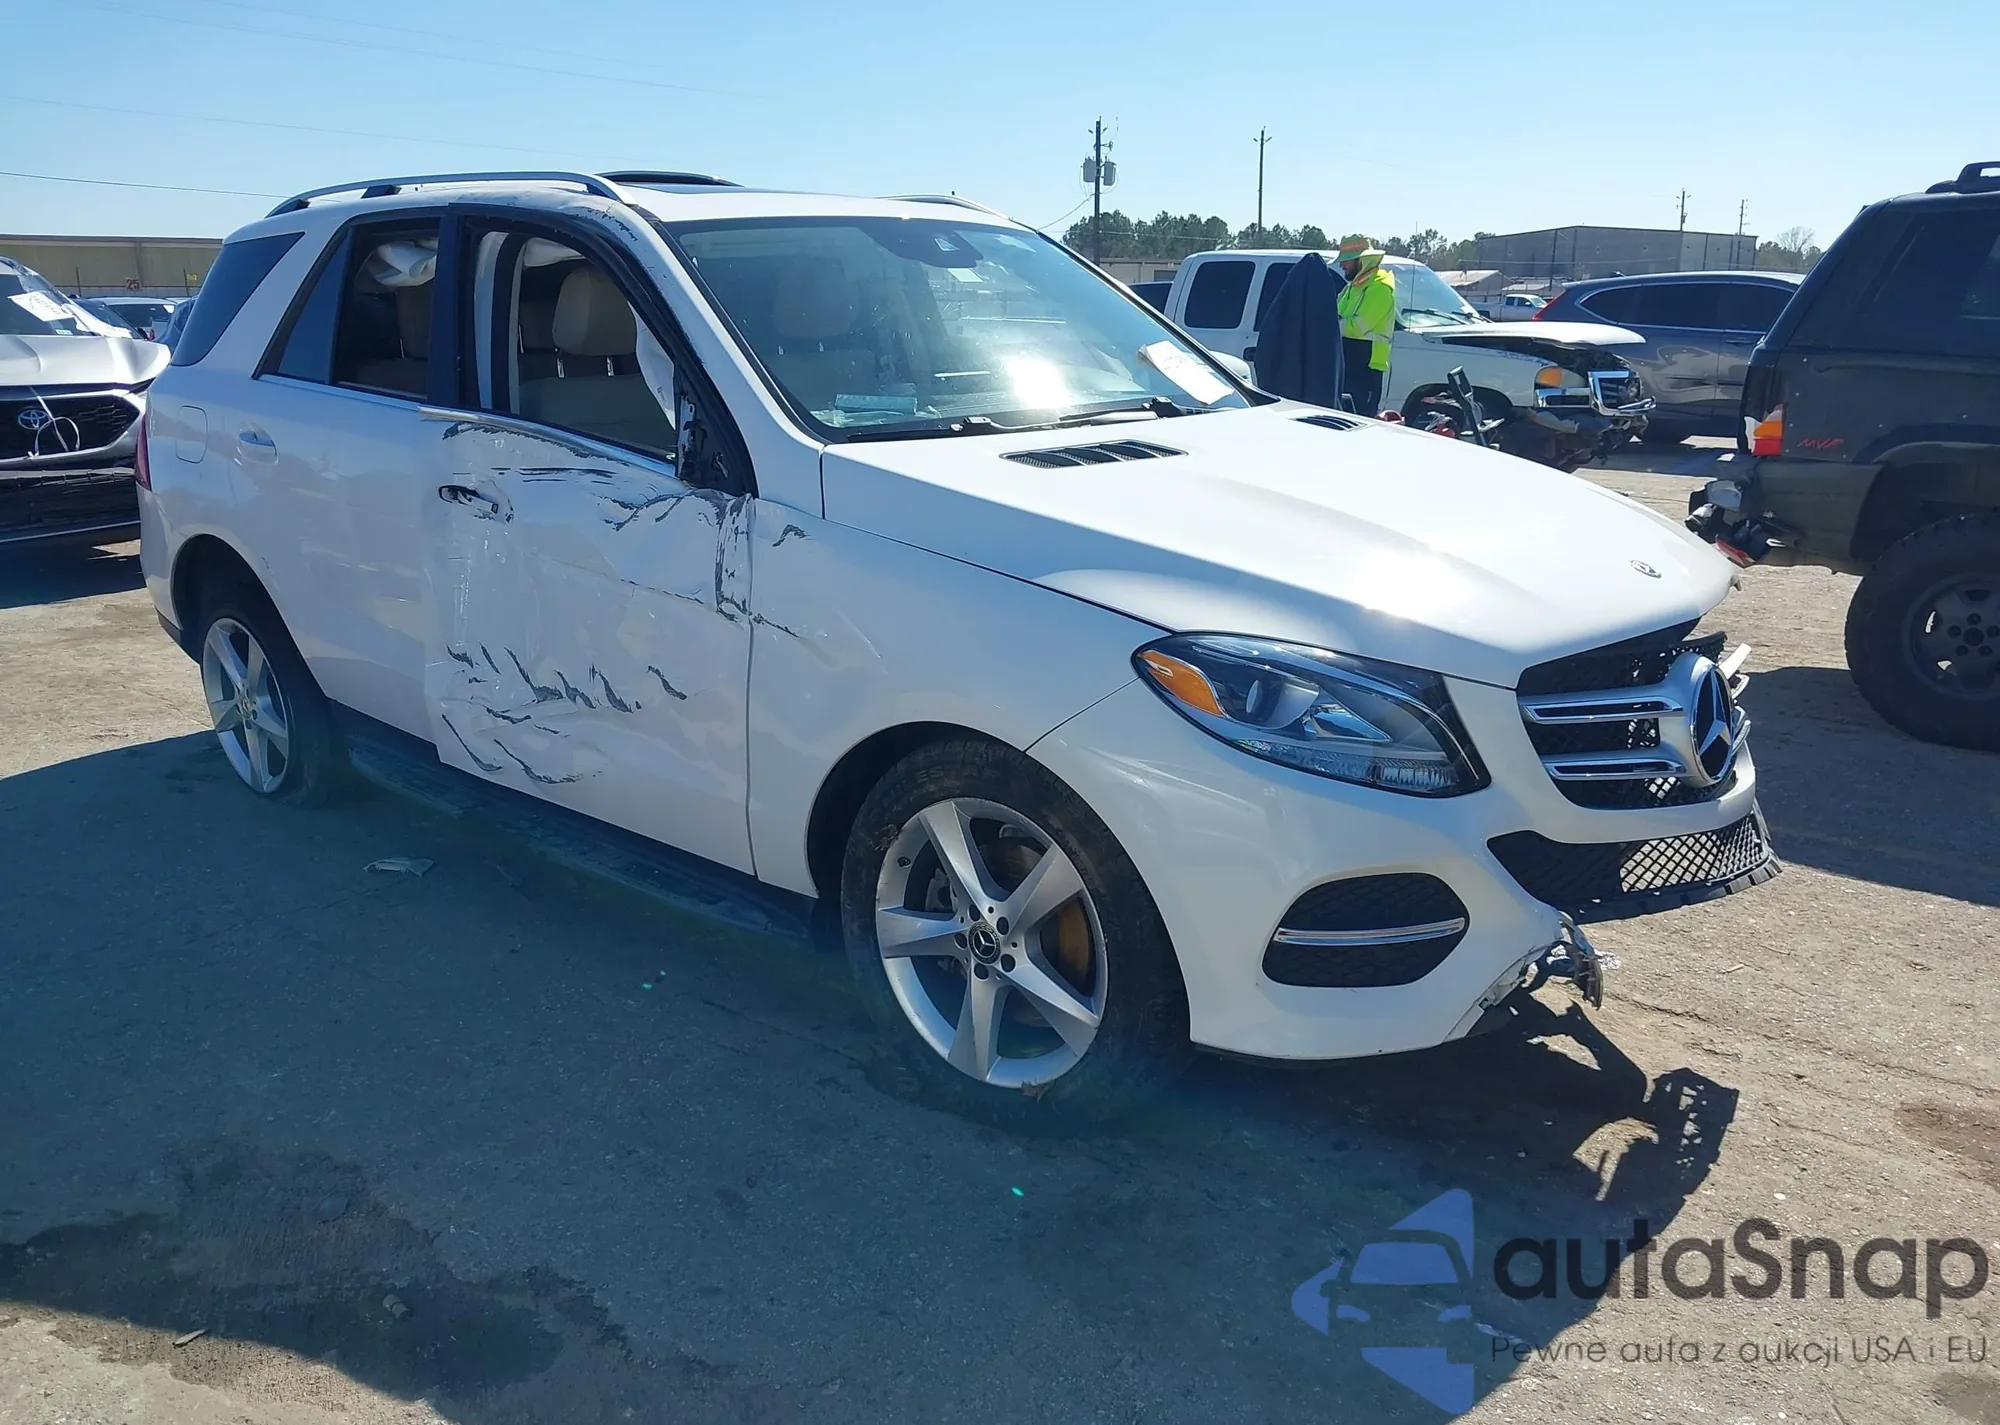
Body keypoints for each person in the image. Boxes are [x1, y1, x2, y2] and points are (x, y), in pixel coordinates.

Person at [1335, 236, 1396, 416]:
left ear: (1361, 261)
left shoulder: (1380, 288)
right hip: (1348, 364)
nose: (1341, 265)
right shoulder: (1352, 287)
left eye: (1346, 260)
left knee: (1360, 420)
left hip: (1367, 368)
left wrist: (1328, 324)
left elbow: (1358, 327)